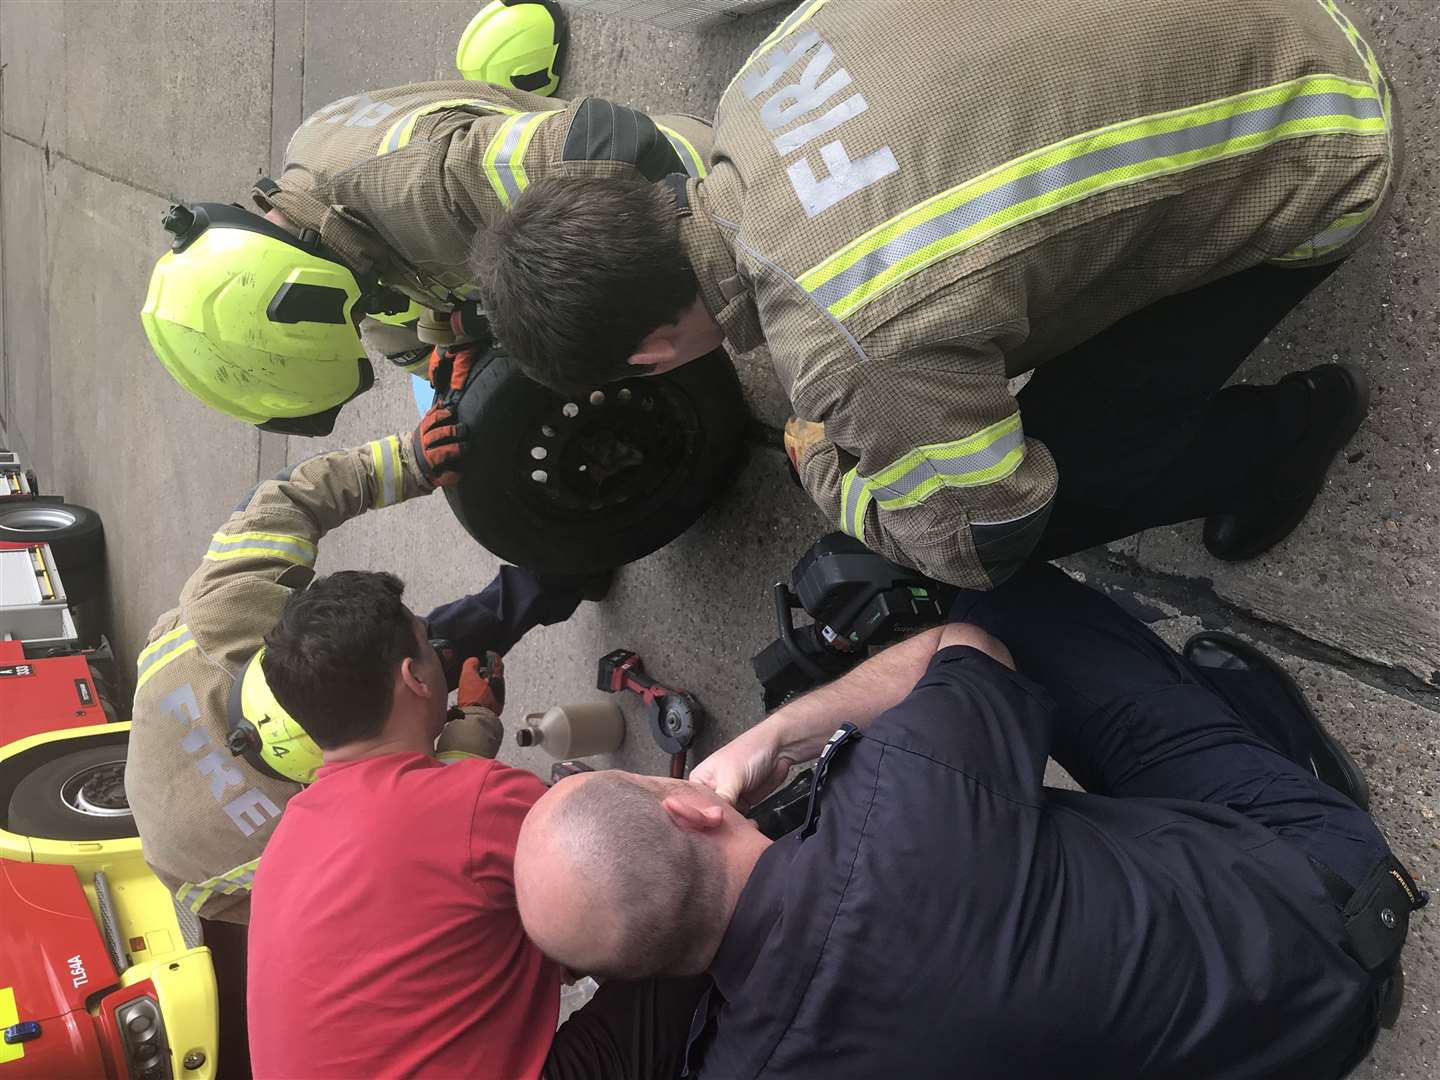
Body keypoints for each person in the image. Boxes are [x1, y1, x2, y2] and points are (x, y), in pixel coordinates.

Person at [475, 0, 1400, 588]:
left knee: (1055, 486)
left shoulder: (844, 342)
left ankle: (1285, 435)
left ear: (649, 358)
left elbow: (983, 536)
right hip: (1284, 22)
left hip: (1331, 144)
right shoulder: (754, 89)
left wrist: (823, 466)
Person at [514, 564, 1426, 1079]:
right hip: (1328, 912)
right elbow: (970, 652)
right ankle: (1296, 774)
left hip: (1273, 1064)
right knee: (1009, 601)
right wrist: (781, 736)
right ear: (686, 803)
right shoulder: (902, 796)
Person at [247, 569, 707, 1079]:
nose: (439, 649)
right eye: (428, 641)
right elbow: (638, 864)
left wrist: (474, 719)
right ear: (416, 679)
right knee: (683, 907)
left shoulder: (286, 843)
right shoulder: (476, 803)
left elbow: (417, 837)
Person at [139, 74, 713, 434]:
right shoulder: (317, 206)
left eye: (349, 322)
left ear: (303, 302)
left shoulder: (429, 186)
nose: (360, 322)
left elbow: (612, 140)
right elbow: (395, 317)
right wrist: (442, 364)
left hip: (697, 178)